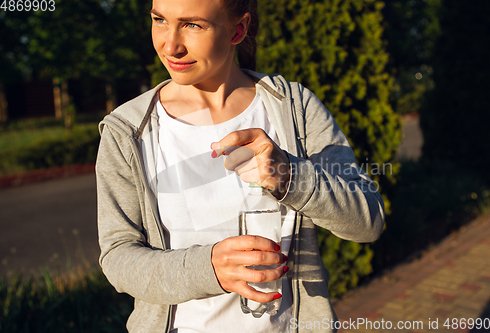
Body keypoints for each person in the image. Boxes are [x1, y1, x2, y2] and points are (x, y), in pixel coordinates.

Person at [95, 0, 385, 332]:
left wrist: (291, 176)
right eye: (160, 20)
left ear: (238, 29)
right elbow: (118, 258)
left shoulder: (293, 108)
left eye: (193, 25)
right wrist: (209, 269)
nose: (170, 44)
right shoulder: (127, 132)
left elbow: (368, 221)